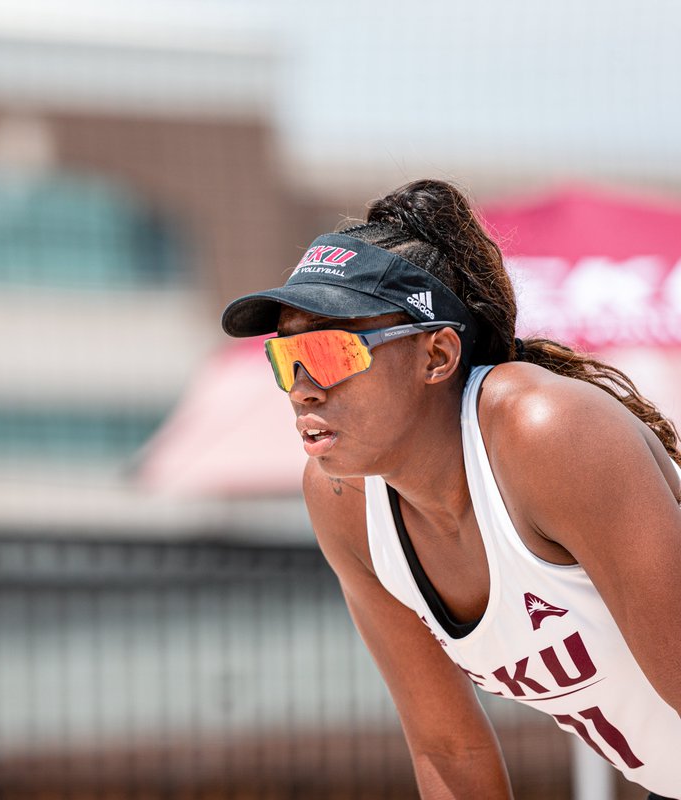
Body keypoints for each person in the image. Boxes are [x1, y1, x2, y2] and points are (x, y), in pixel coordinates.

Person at [221, 179, 681, 799]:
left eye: (330, 352)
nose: (302, 387)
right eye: (286, 358)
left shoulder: (545, 433)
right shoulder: (344, 501)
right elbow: (449, 750)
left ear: (437, 355)